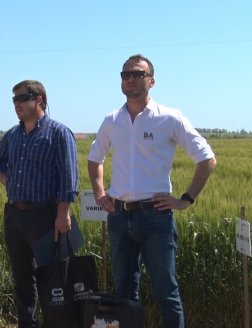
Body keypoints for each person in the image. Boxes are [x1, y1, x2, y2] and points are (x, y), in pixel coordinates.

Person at [88, 54, 217, 328]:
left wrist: (185, 199)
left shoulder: (170, 118)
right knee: (123, 292)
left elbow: (207, 160)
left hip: (155, 216)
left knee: (166, 293)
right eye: (125, 74)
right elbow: (94, 158)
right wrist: (100, 192)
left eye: (137, 74)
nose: (130, 79)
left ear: (152, 81)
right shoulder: (112, 120)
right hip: (119, 217)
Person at [0, 80, 78, 328]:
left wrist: (63, 213)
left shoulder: (59, 133)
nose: (16, 104)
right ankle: (27, 323)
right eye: (14, 99)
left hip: (45, 215)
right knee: (21, 277)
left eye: (22, 98)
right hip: (15, 215)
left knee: (50, 278)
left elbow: (69, 177)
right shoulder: (13, 134)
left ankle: (55, 323)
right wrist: (2, 175)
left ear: (39, 100)